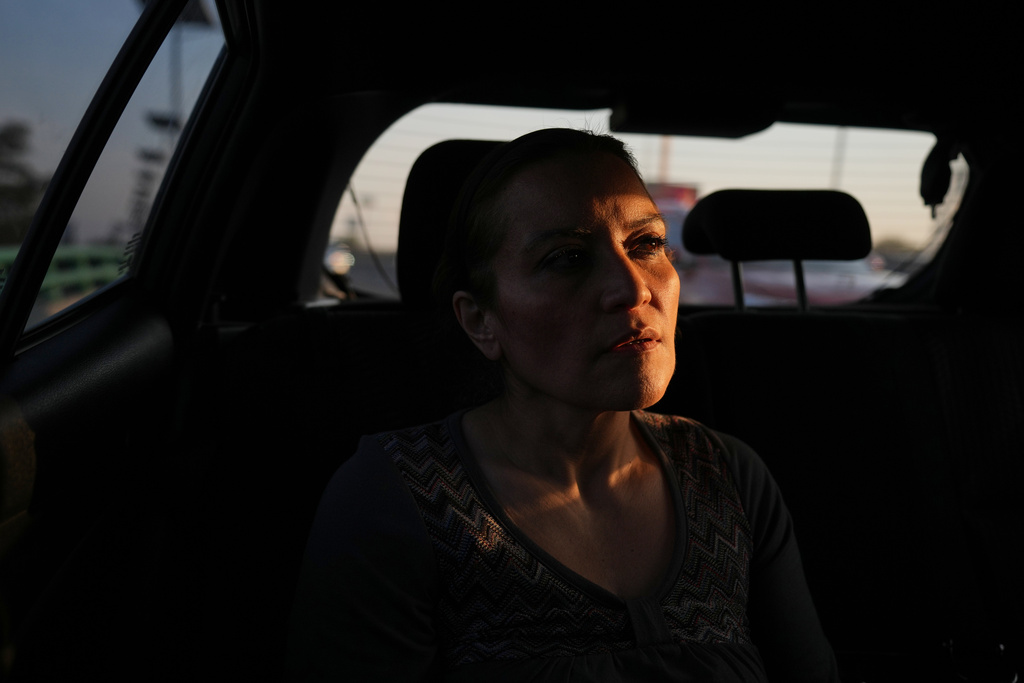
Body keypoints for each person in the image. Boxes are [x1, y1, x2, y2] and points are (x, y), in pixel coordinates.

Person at [286, 128, 840, 682]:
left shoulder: (728, 477)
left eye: (646, 244)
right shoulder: (397, 498)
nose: (632, 288)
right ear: (481, 320)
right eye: (568, 258)